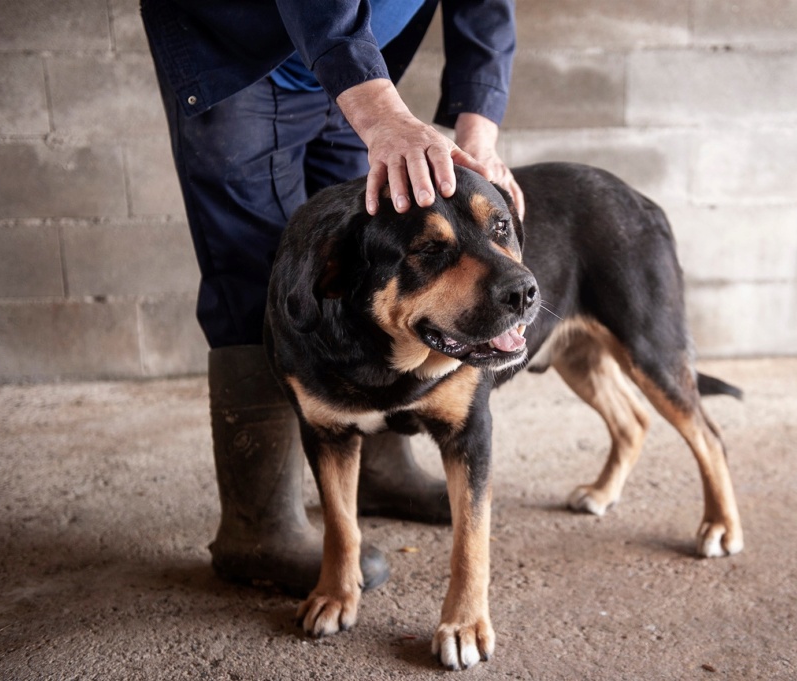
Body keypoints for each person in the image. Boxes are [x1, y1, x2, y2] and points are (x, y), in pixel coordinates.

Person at [141, 0, 520, 596]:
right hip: (243, 61)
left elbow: (487, 6)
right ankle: (258, 524)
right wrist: (380, 114)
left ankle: (379, 465)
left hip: (357, 64)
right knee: (257, 274)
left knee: (373, 252)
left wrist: (480, 132)